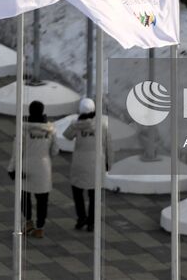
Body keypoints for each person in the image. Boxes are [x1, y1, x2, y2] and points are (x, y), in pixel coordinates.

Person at [7, 99, 58, 238]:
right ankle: (40, 228)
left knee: (24, 196)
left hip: (26, 166)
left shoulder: (23, 129)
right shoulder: (50, 130)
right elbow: (55, 151)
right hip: (44, 168)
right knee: (42, 200)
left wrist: (11, 168)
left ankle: (28, 222)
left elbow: (17, 151)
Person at [63, 97, 114, 232]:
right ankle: (92, 222)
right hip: (97, 163)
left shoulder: (77, 125)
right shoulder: (102, 125)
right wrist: (109, 162)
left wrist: (76, 123)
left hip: (79, 163)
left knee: (77, 193)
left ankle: (81, 218)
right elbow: (109, 145)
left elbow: (67, 135)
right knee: (94, 195)